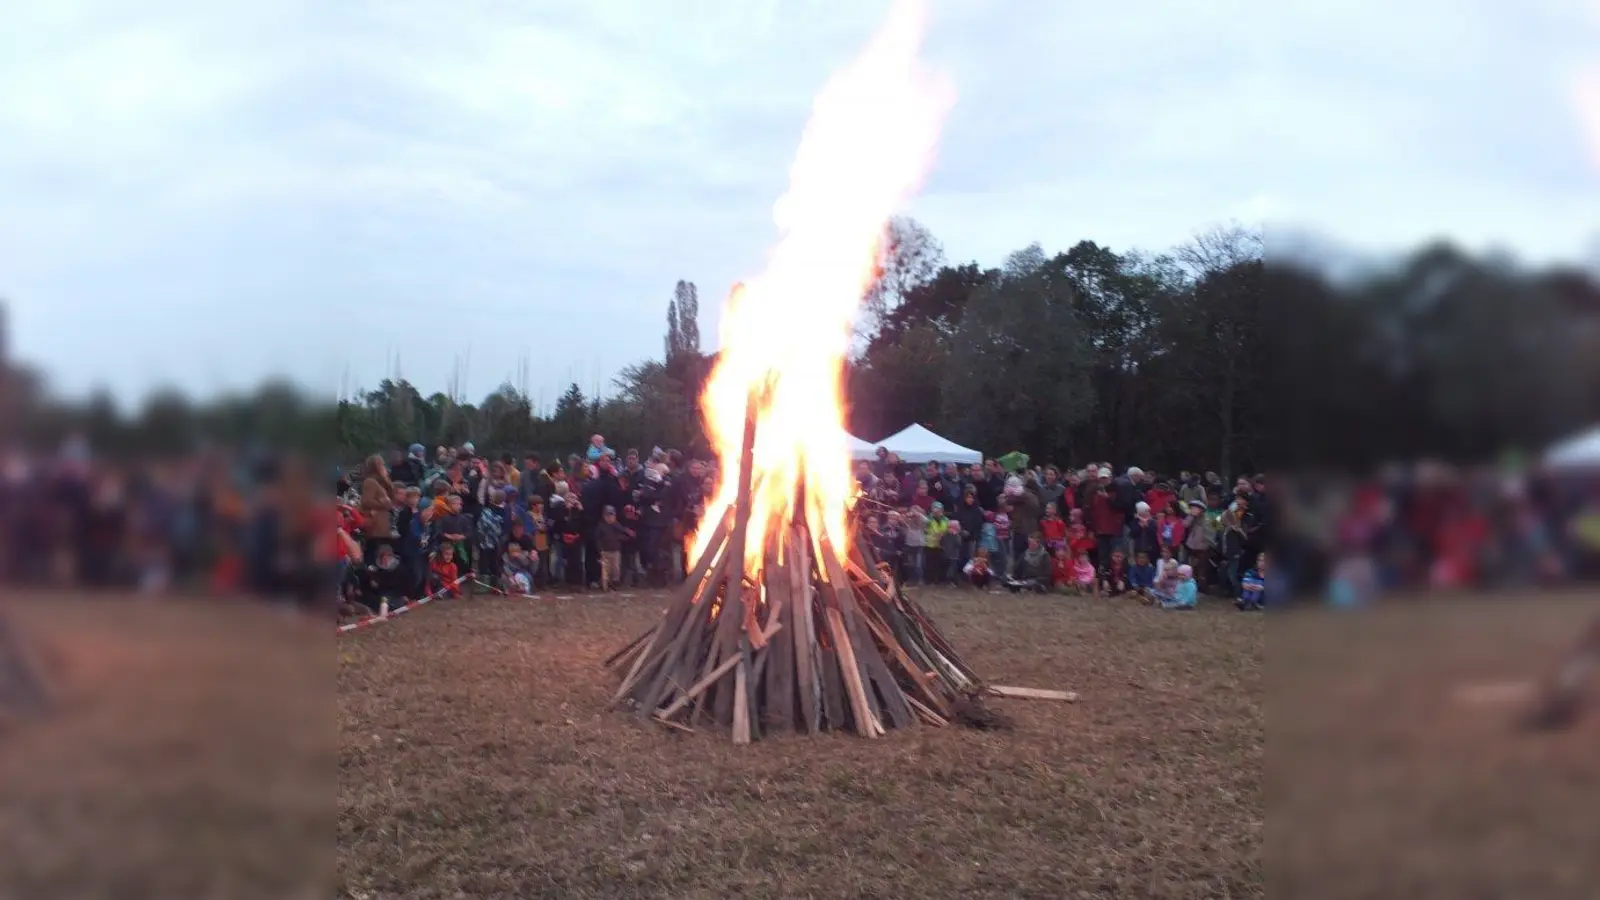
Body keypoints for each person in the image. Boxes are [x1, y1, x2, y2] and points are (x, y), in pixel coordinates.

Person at [595, 505, 633, 592]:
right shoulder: (601, 526)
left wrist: (617, 526)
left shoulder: (616, 525)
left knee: (616, 569)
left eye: (612, 515)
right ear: (604, 516)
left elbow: (624, 532)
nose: (610, 518)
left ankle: (614, 583)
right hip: (605, 551)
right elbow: (598, 539)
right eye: (608, 516)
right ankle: (605, 586)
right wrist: (600, 549)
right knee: (605, 570)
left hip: (615, 550)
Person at [939, 520, 964, 585]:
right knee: (951, 568)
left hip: (950, 554)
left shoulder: (948, 534)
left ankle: (950, 581)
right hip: (952, 555)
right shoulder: (953, 535)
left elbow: (941, 543)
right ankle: (950, 581)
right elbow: (959, 544)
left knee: (951, 568)